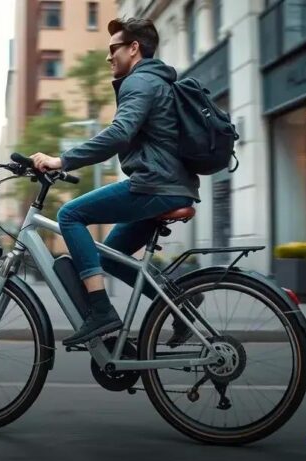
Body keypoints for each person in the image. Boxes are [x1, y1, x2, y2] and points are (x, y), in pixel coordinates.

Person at [31, 18, 201, 347]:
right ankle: (183, 308)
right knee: (109, 255)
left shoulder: (140, 82)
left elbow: (119, 134)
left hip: (156, 185)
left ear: (134, 48)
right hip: (168, 184)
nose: (109, 57)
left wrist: (62, 160)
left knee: (69, 215)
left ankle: (101, 310)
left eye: (114, 49)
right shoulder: (156, 81)